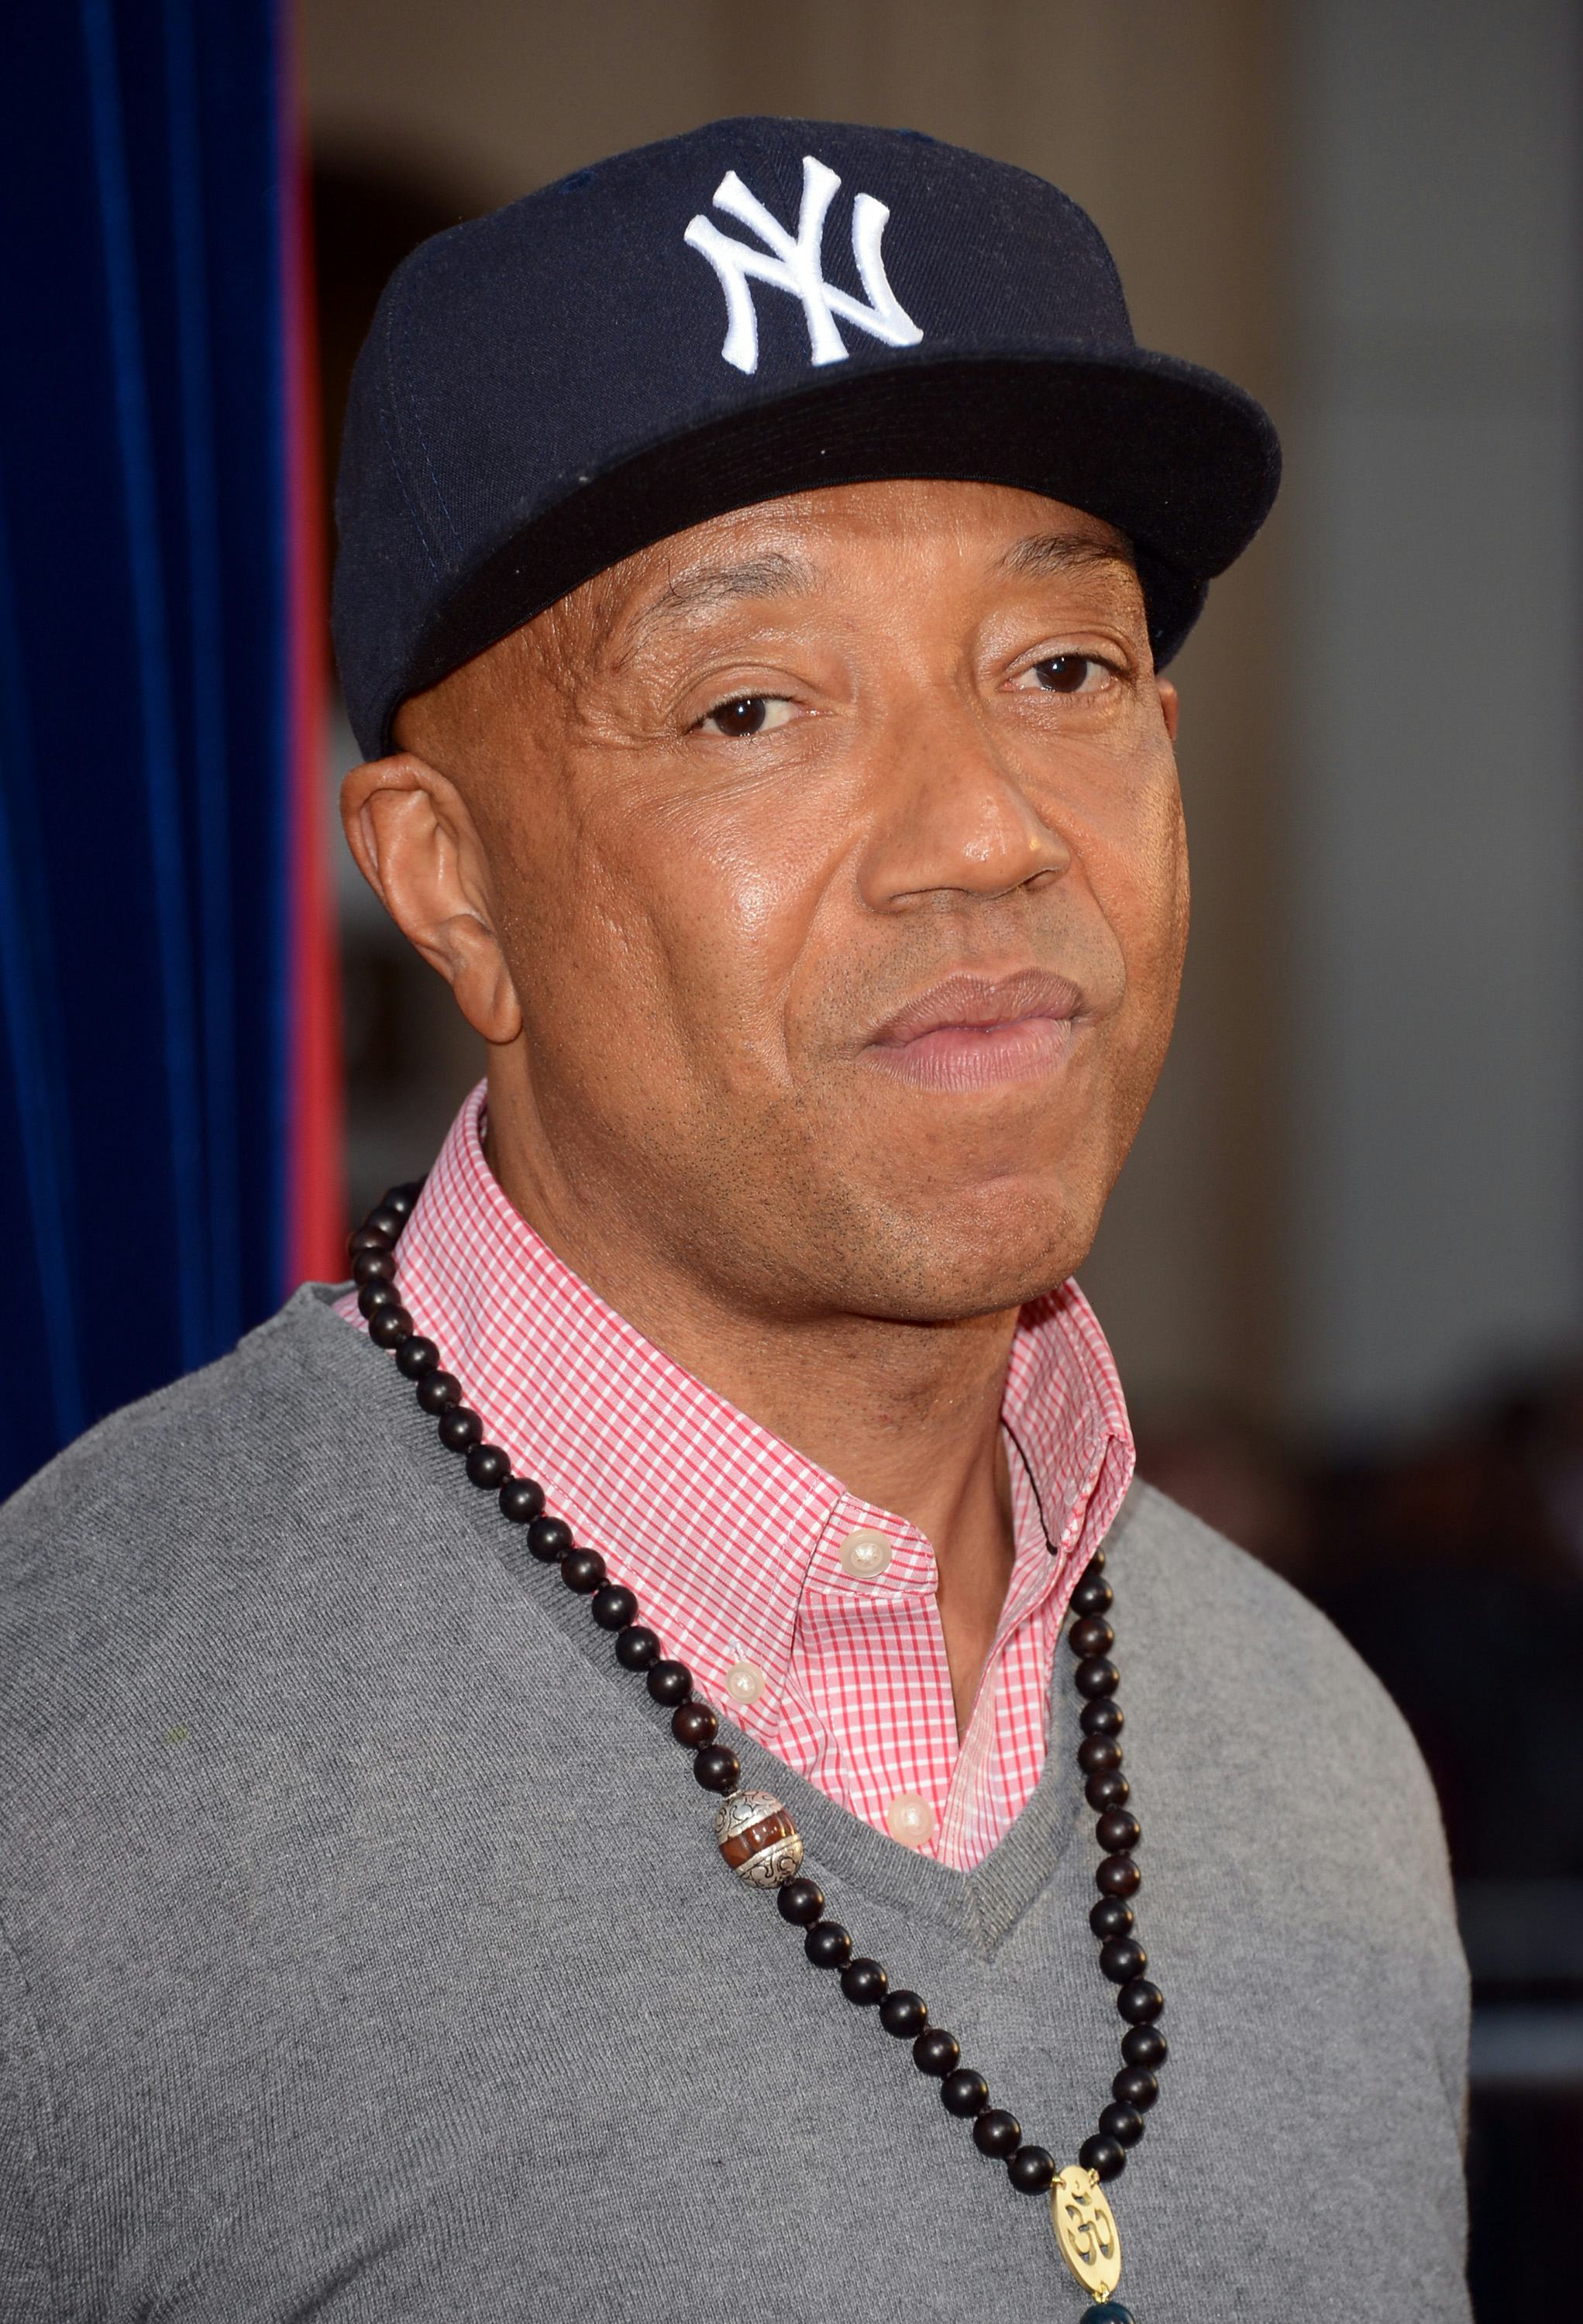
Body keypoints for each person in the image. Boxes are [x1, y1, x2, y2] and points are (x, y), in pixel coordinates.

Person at [0, 119, 1469, 2322]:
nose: (982, 832)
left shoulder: (1307, 1745)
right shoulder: (79, 1766)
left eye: (1060, 671)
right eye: (750, 706)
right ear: (447, 885)